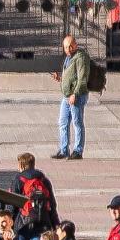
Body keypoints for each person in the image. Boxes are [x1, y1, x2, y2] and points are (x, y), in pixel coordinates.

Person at [51, 31, 93, 159]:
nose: (68, 49)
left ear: (75, 45)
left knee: (77, 122)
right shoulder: (68, 57)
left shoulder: (81, 57)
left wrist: (75, 94)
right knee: (63, 122)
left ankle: (78, 151)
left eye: (71, 46)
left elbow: (82, 79)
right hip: (66, 96)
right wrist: (61, 78)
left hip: (77, 96)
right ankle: (64, 150)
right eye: (65, 47)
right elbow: (71, 76)